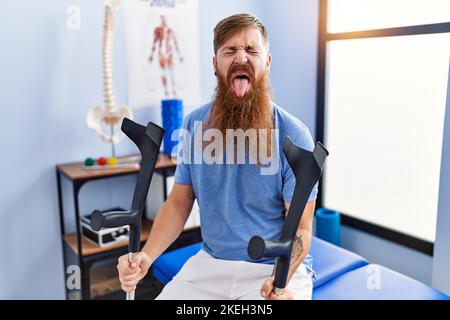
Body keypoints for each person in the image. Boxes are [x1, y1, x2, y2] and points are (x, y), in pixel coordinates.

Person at [118, 13, 318, 300]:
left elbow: (301, 227)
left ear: (267, 63)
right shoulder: (193, 125)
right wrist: (146, 257)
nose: (241, 58)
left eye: (251, 50)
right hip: (211, 266)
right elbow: (179, 202)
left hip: (273, 267)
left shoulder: (294, 136)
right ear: (215, 64)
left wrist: (280, 279)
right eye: (230, 50)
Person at [148, 14, 183, 97]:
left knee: (171, 72)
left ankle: (174, 90)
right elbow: (154, 42)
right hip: (161, 53)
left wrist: (179, 55)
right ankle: (166, 91)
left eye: (165, 19)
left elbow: (175, 42)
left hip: (169, 52)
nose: (164, 20)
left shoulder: (170, 30)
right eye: (162, 19)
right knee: (163, 72)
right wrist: (151, 55)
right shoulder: (158, 30)